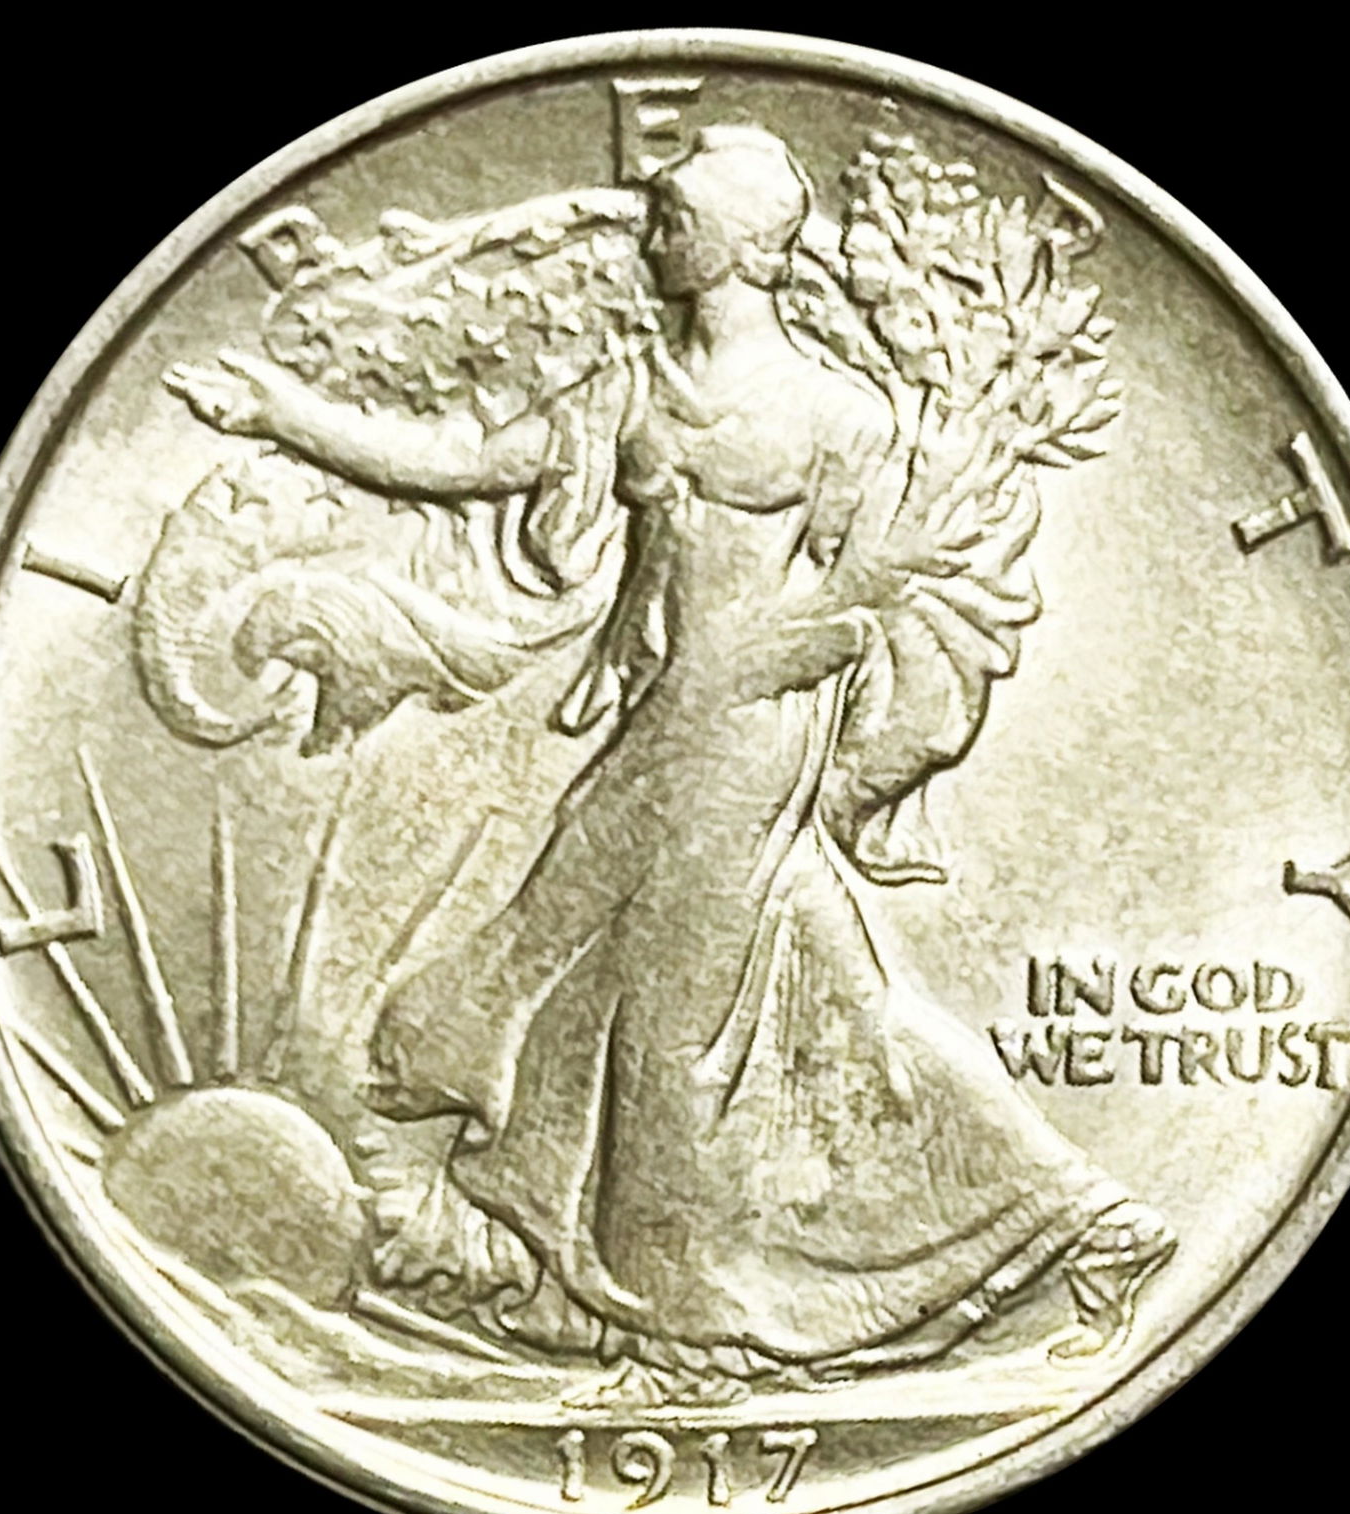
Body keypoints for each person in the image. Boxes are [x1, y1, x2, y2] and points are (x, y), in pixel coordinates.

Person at [166, 126, 1173, 1382]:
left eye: (675, 219)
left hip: (751, 737)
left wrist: (815, 705)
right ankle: (1073, 1226)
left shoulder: (838, 419)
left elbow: (873, 601)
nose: (652, 236)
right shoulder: (629, 390)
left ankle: (691, 1322)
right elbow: (464, 462)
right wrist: (285, 414)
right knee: (759, 998)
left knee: (663, 1024)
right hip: (667, 727)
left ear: (747, 247)